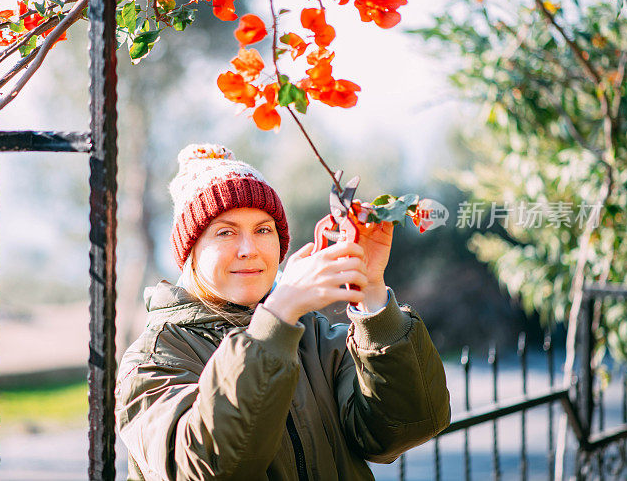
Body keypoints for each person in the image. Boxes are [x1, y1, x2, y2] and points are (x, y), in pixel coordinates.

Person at [116, 143, 451, 480]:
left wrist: (373, 294)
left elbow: (404, 428)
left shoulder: (314, 335)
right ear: (190, 251)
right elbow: (205, 468)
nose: (249, 250)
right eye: (225, 232)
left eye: (263, 229)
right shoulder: (153, 360)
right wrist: (277, 318)